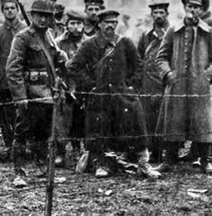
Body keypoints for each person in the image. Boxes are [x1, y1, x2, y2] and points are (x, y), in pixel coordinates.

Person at [69, 9, 160, 179]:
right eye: (106, 23)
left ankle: (142, 162)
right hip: (99, 97)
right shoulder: (89, 45)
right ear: (99, 25)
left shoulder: (124, 43)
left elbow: (138, 66)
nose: (110, 26)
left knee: (136, 124)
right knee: (98, 129)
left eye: (113, 23)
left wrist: (131, 86)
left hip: (122, 94)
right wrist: (91, 86)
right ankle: (100, 163)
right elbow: (73, 68)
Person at [153, 0, 212, 174]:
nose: (193, 10)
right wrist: (168, 74)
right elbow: (161, 57)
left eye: (197, 7)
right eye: (190, 6)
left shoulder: (209, 33)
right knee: (174, 122)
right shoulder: (173, 31)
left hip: (200, 87)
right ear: (185, 8)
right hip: (177, 85)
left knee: (202, 123)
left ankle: (205, 160)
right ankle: (169, 160)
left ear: (202, 10)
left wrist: (207, 75)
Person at [5, 0, 69, 187]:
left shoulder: (48, 35)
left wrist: (60, 57)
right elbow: (13, 69)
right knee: (23, 134)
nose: (43, 19)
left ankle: (45, 170)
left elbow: (53, 60)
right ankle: (19, 173)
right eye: (39, 15)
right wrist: (20, 96)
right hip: (30, 93)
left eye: (47, 16)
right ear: (32, 15)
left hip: (48, 92)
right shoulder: (22, 37)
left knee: (44, 134)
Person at [0, 0, 27, 153]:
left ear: (17, 10)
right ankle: (10, 145)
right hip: (3, 81)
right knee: (6, 115)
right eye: (6, 8)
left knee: (24, 113)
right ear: (2, 12)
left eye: (13, 8)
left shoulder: (26, 30)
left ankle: (23, 144)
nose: (10, 11)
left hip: (23, 79)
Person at [135, 2, 170, 166]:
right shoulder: (146, 35)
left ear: (167, 14)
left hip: (164, 82)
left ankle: (164, 153)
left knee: (163, 120)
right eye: (155, 13)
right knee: (148, 119)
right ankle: (151, 153)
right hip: (148, 84)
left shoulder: (171, 34)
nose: (158, 16)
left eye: (161, 12)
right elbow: (139, 57)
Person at [55, 8, 88, 164]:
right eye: (72, 23)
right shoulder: (58, 43)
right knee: (62, 121)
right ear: (66, 25)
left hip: (83, 86)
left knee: (81, 119)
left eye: (79, 24)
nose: (76, 27)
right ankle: (60, 152)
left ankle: (79, 150)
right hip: (64, 86)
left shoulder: (88, 43)